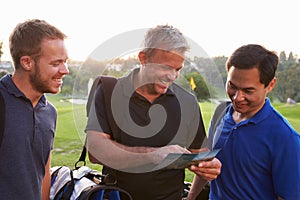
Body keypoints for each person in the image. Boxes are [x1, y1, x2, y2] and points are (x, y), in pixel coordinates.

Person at [85, 25, 221, 200]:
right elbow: (96, 152)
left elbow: (202, 155)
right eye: (165, 67)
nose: (172, 76)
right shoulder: (109, 91)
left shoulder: (187, 102)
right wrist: (154, 156)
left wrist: (208, 167)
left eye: (177, 69)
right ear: (143, 58)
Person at [188, 44, 300, 199]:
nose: (237, 97)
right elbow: (206, 163)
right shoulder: (221, 112)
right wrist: (190, 198)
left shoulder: (285, 137)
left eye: (248, 91)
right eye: (232, 86)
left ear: (270, 85)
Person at [0, 19, 69, 199]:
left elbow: (43, 171)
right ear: (27, 62)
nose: (65, 70)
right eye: (56, 64)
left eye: (65, 62)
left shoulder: (49, 112)